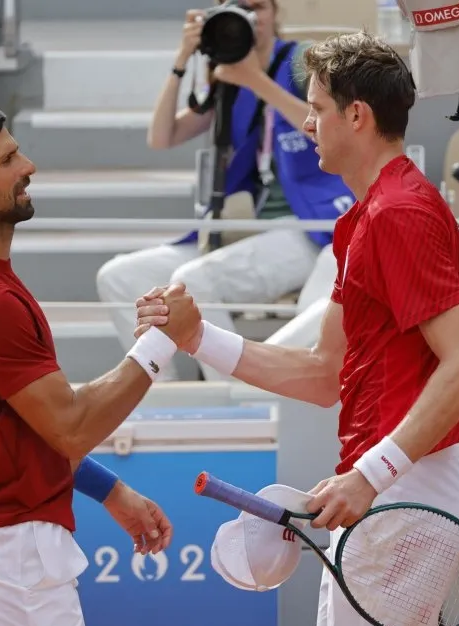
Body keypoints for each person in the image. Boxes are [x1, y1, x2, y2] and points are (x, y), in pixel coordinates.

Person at [134, 32, 459, 626]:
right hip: (400, 481)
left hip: (410, 485)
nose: (305, 122)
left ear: (357, 115)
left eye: (317, 108)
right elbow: (324, 373)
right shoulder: (366, 218)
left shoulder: (398, 211)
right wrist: (195, 338)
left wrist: (370, 474)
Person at [0, 102, 201, 626]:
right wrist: (163, 342)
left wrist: (111, 491)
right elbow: (70, 426)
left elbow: (35, 428)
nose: (29, 166)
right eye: (8, 158)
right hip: (10, 552)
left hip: (7, 550)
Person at [95, 0, 355, 380]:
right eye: (238, 8)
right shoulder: (228, 75)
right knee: (119, 276)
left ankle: (240, 400)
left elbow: (333, 131)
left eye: (258, 7)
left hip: (312, 224)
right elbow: (161, 136)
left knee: (195, 280)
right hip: (250, 229)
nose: (250, 18)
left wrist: (256, 79)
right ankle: (159, 394)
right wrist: (183, 59)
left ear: (275, 12)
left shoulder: (301, 62)